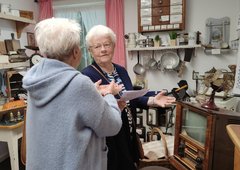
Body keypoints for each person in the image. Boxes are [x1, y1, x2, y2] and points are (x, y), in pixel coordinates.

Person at [22, 18, 123, 170]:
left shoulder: (36, 78)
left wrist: (92, 93)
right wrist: (109, 95)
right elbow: (112, 126)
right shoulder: (79, 83)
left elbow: (63, 108)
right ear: (76, 52)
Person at [82, 25, 176, 170]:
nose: (103, 50)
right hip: (109, 138)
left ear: (113, 46)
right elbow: (90, 112)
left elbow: (131, 98)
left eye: (107, 44)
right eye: (97, 46)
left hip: (128, 131)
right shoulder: (87, 75)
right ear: (90, 50)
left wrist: (153, 100)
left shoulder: (121, 70)